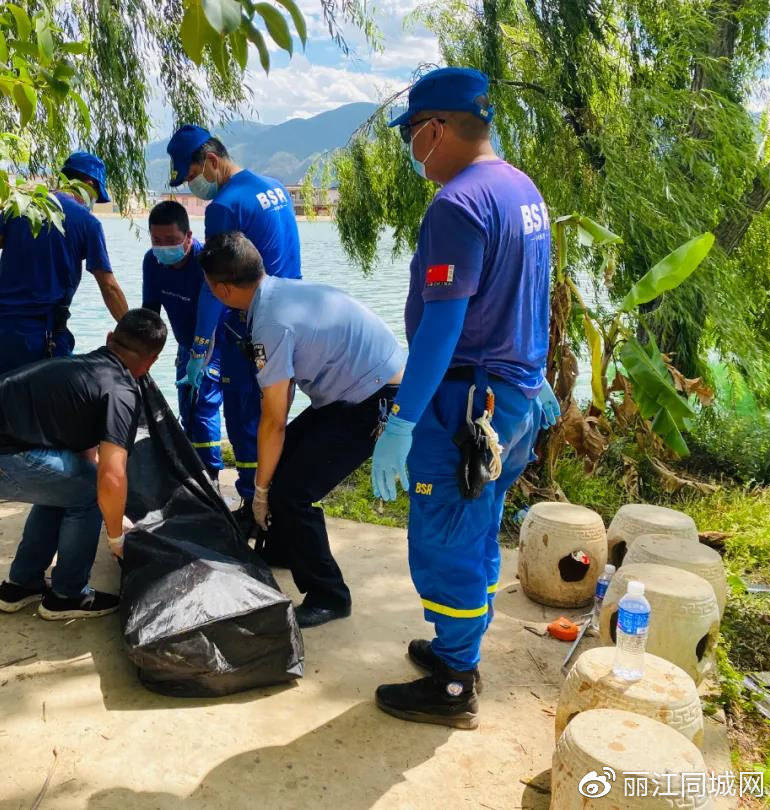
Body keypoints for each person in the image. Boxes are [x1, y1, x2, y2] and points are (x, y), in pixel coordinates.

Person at [367, 67, 560, 729]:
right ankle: (460, 646)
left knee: (445, 536)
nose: (411, 148)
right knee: (479, 525)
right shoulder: (520, 188)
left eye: (412, 134)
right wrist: (538, 383)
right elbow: (530, 295)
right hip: (510, 400)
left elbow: (444, 325)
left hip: (464, 408)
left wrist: (403, 418)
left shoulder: (457, 204)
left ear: (437, 127)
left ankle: (453, 684)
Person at [199, 232, 404, 628]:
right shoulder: (275, 293)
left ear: (222, 289)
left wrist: (259, 492)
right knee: (283, 462)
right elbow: (282, 402)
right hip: (353, 390)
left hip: (373, 397)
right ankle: (281, 550)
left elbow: (274, 418)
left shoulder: (270, 323)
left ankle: (329, 594)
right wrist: (265, 477)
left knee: (293, 493)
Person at [0, 309, 167, 619]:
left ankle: (21, 584)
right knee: (89, 491)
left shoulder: (80, 368)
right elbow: (111, 475)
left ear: (109, 339)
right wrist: (117, 536)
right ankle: (67, 594)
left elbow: (85, 451)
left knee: (67, 486)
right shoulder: (122, 391)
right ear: (151, 362)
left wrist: (117, 515)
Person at [165, 126, 301, 524]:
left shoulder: (224, 207)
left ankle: (254, 506)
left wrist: (201, 347)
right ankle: (274, 500)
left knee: (245, 418)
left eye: (191, 176)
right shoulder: (274, 188)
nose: (194, 186)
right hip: (289, 316)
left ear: (211, 161)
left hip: (250, 326)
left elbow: (217, 284)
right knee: (275, 416)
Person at [0, 151, 129, 387]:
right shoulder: (88, 223)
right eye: (96, 195)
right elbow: (108, 286)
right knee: (48, 408)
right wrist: (132, 333)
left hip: (2, 328)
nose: (94, 203)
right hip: (45, 335)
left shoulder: (19, 207)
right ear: (89, 184)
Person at [141, 200, 223, 480]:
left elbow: (209, 316)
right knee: (187, 411)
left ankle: (210, 476)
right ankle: (192, 475)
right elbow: (150, 310)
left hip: (216, 342)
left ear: (188, 237)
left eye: (171, 240)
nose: (163, 247)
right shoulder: (152, 262)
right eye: (157, 240)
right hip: (186, 344)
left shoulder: (206, 262)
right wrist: (142, 354)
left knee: (203, 407)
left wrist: (201, 355)